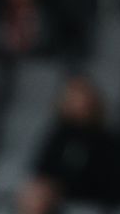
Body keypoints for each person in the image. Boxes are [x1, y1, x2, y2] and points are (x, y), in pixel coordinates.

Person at [33, 76, 112, 204]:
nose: (79, 103)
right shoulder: (57, 136)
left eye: (82, 98)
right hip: (58, 202)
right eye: (73, 98)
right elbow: (43, 171)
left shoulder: (105, 138)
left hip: (93, 201)